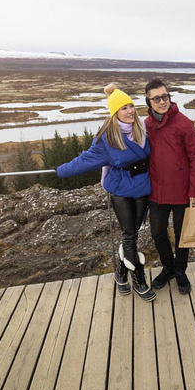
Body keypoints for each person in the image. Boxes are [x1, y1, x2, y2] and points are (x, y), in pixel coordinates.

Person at [56, 83, 156, 302]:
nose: (130, 111)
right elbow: (84, 161)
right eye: (123, 108)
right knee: (128, 234)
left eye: (131, 106)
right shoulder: (107, 138)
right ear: (114, 113)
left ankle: (121, 271)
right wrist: (60, 171)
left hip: (142, 187)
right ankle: (139, 278)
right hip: (120, 189)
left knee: (135, 232)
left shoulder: (143, 129)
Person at [143, 78, 195, 295]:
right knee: (157, 232)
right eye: (156, 98)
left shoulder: (183, 123)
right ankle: (168, 266)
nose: (162, 101)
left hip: (182, 192)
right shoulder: (145, 126)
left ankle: (180, 270)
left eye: (165, 96)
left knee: (183, 234)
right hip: (156, 192)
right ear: (148, 102)